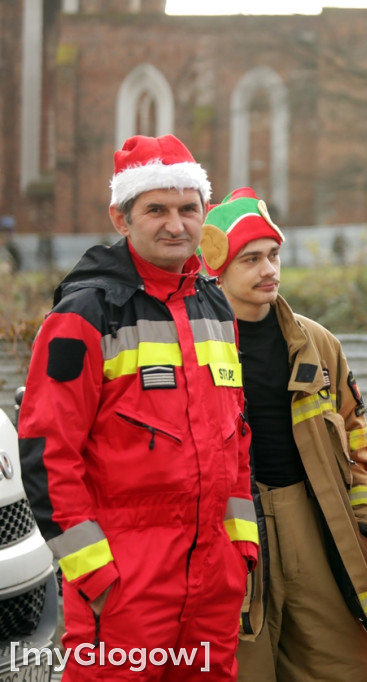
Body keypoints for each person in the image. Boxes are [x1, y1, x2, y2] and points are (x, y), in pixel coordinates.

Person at [17, 134, 258, 680]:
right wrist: (96, 576)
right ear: (121, 218)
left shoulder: (215, 305)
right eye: (156, 209)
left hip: (213, 579)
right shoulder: (84, 314)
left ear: (205, 214)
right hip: (125, 580)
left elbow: (236, 436)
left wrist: (240, 553)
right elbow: (46, 453)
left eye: (188, 208)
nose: (176, 224)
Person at [199, 187, 367, 681]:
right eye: (251, 259)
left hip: (317, 524)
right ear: (218, 269)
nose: (268, 269)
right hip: (234, 536)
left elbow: (357, 436)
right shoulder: (194, 346)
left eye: (273, 255)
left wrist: (363, 522)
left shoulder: (317, 345)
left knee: (347, 667)